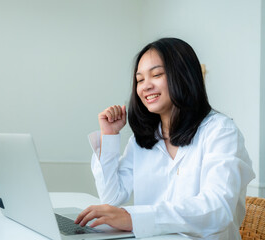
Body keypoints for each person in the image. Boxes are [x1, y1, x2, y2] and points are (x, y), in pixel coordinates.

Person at [74, 38, 255, 239]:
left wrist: (133, 218)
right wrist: (109, 136)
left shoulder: (221, 131)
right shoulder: (143, 140)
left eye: (157, 74)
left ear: (184, 76)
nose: (145, 87)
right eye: (140, 80)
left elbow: (218, 209)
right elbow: (111, 197)